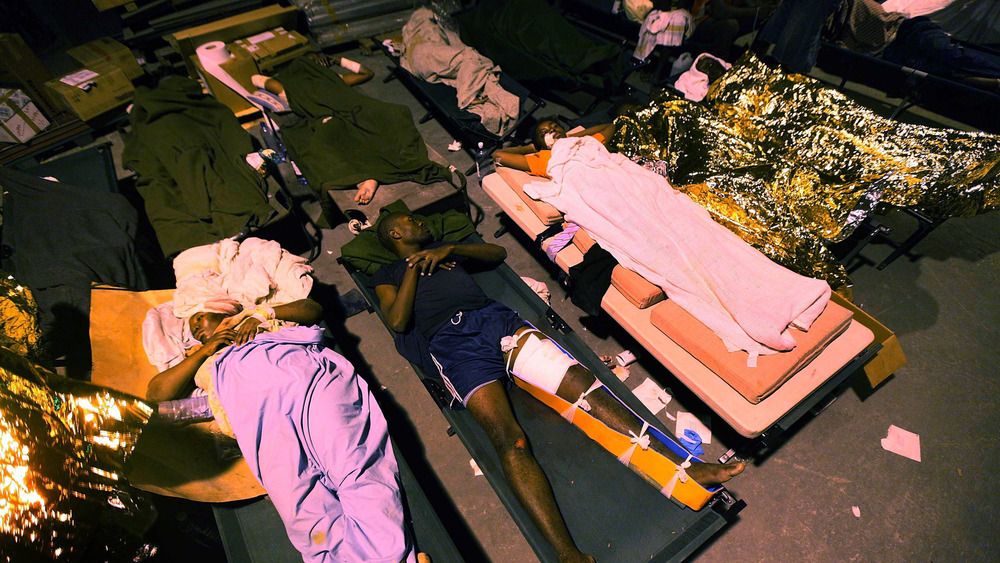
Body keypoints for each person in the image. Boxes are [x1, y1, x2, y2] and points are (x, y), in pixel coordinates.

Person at [373, 211, 746, 563]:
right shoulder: (388, 273)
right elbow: (398, 320)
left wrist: (450, 249)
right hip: (454, 346)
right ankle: (567, 555)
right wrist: (412, 269)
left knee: (586, 389)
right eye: (409, 220)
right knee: (510, 440)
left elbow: (497, 252)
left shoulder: (448, 251)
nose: (419, 220)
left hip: (496, 322)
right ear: (394, 234)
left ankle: (688, 468)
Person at [146, 299, 417, 563]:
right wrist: (205, 350)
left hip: (306, 385)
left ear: (223, 310)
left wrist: (263, 313)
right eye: (192, 330)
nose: (195, 328)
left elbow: (314, 309)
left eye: (199, 318)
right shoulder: (202, 359)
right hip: (260, 419)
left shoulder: (259, 318)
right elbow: (157, 393)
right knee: (302, 508)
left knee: (354, 467)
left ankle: (389, 556)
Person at [252, 54, 383, 204]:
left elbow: (256, 78)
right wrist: (338, 61)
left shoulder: (292, 86)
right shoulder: (302, 84)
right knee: (344, 143)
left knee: (345, 142)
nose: (317, 61)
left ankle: (363, 179)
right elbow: (367, 73)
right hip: (330, 118)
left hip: (331, 118)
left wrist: (336, 59)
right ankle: (365, 178)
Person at [492, 120, 616, 177]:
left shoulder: (583, 142)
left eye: (555, 126)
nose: (552, 130)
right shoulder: (544, 160)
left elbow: (610, 127)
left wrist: (569, 137)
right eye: (544, 133)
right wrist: (532, 148)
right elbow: (498, 155)